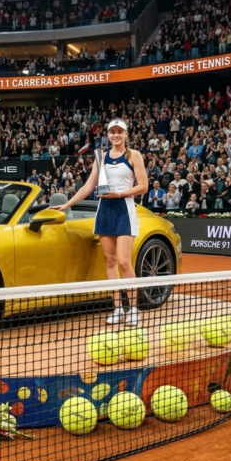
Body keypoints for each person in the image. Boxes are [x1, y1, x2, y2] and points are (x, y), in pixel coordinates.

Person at [51, 119, 148, 327]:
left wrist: (119, 193)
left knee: (123, 261)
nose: (116, 135)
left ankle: (133, 310)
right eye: (112, 132)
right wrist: (66, 204)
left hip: (124, 210)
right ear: (108, 135)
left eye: (119, 132)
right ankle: (118, 309)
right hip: (104, 212)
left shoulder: (134, 156)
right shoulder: (100, 157)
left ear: (126, 134)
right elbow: (88, 187)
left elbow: (143, 187)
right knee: (110, 261)